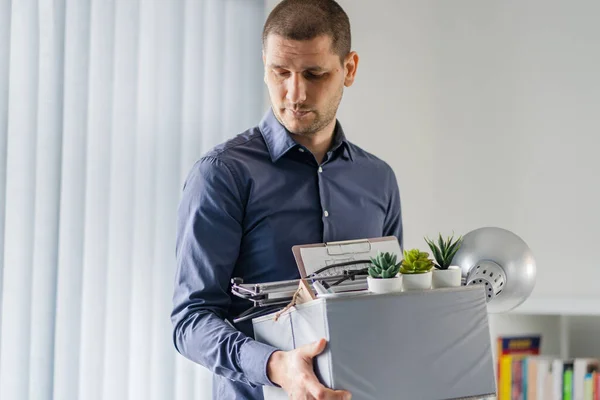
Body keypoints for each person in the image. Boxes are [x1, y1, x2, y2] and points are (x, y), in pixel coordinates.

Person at [171, 0, 403, 399]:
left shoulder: (378, 179)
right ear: (264, 64)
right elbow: (190, 322)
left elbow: (391, 304)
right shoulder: (222, 174)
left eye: (314, 74)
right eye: (280, 72)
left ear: (349, 69)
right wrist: (276, 366)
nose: (294, 93)